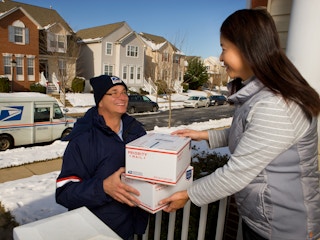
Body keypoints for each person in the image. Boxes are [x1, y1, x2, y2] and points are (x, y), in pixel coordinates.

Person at [159, 8, 320, 240]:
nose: (221, 58)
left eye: (224, 48)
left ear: (248, 48)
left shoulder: (276, 104)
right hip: (263, 219)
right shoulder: (261, 93)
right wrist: (204, 135)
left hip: (285, 228)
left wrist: (189, 194)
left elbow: (237, 173)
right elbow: (251, 134)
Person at [55, 75, 149, 240]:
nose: (122, 97)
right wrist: (103, 188)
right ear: (100, 101)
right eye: (113, 92)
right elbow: (65, 192)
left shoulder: (136, 131)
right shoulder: (83, 139)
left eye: (124, 92)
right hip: (98, 231)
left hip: (131, 226)